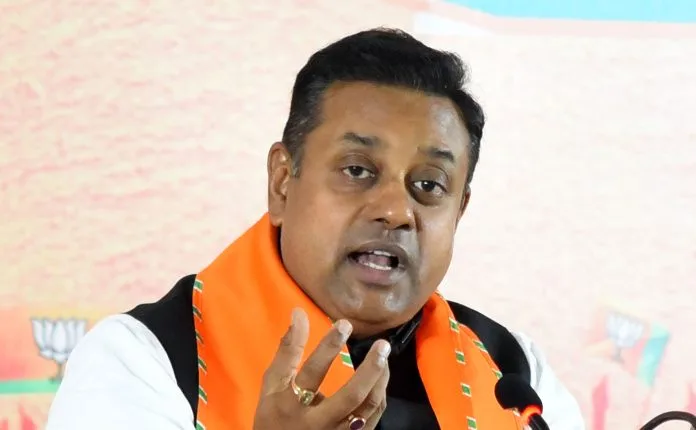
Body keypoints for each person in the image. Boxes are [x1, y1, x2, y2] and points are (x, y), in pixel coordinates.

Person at [45, 28, 585, 430]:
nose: (396, 211)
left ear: (460, 211)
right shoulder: (145, 360)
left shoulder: (515, 377)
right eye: (358, 171)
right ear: (283, 182)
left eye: (428, 184)